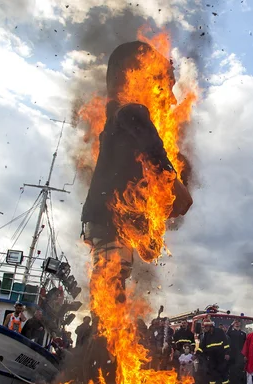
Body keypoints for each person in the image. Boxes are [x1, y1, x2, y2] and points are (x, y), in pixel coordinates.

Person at [81, 41, 193, 295]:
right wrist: (171, 182)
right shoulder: (127, 111)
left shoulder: (121, 123)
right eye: (168, 84)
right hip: (108, 220)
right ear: (142, 76)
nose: (173, 98)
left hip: (109, 222)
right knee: (111, 293)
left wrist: (152, 226)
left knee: (113, 290)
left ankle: (110, 331)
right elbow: (140, 129)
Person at [197, 317, 230, 384]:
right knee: (211, 371)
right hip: (211, 356)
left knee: (223, 371)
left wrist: (227, 353)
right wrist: (197, 353)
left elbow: (225, 343)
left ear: (210, 326)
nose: (205, 328)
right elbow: (202, 345)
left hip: (220, 355)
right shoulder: (206, 334)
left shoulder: (219, 332)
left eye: (206, 327)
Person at [226, 319, 247, 384]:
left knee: (239, 372)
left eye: (238, 322)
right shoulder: (231, 332)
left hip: (240, 355)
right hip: (232, 354)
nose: (237, 324)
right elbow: (226, 335)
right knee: (232, 371)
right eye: (236, 322)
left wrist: (245, 355)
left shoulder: (243, 334)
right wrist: (231, 325)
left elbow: (245, 345)